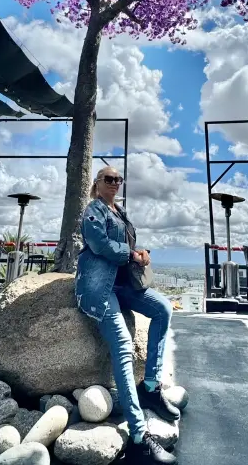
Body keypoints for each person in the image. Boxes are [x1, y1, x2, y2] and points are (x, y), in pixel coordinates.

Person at [75, 167, 180, 464]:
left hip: (123, 284)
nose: (115, 183)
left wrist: (140, 252)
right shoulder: (93, 210)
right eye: (108, 179)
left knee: (162, 308)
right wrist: (132, 253)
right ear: (97, 182)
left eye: (118, 179)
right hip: (100, 286)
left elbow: (126, 247)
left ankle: (149, 387)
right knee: (122, 344)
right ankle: (138, 435)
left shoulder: (118, 210)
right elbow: (99, 245)